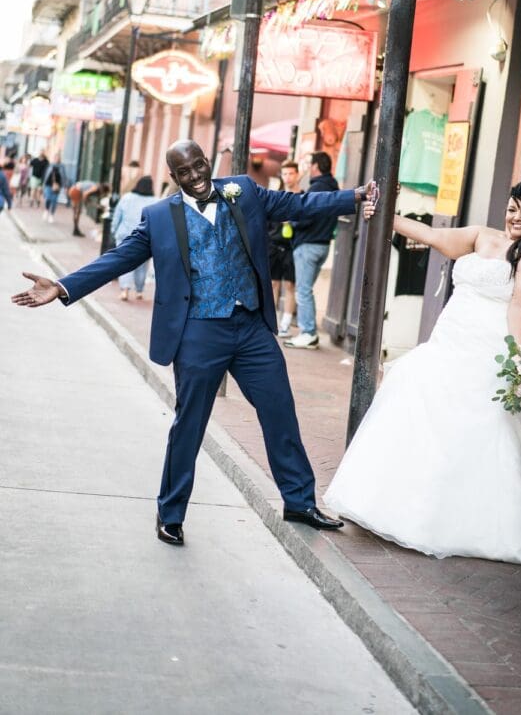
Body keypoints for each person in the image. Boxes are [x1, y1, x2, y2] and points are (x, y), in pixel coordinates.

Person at [12, 140, 375, 547]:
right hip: (199, 332)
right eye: (185, 172)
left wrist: (354, 196)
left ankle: (299, 501)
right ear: (174, 176)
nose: (196, 176)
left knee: (280, 411)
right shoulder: (159, 218)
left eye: (199, 166)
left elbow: (298, 205)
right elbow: (118, 259)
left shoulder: (244, 190)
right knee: (190, 424)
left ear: (207, 162)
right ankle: (171, 513)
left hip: (251, 326)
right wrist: (63, 286)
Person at [324, 180, 521, 567]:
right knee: (416, 402)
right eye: (512, 208)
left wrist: (518, 363)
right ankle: (398, 505)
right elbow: (434, 236)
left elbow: (519, 308)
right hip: (448, 341)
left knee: (474, 429)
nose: (516, 217)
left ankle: (463, 521)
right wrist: (387, 216)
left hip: (487, 350)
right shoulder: (481, 236)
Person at [284, 151, 340, 350]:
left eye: (310, 165)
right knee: (306, 289)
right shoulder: (334, 187)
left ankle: (308, 332)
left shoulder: (316, 187)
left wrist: (292, 220)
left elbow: (306, 215)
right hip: (323, 245)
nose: (308, 168)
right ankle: (310, 333)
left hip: (308, 244)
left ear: (316, 166)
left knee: (303, 290)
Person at [268, 160, 301, 337]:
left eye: (291, 173)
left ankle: (286, 323)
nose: (288, 177)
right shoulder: (277, 196)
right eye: (285, 173)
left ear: (297, 175)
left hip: (293, 246)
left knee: (290, 285)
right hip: (274, 244)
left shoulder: (302, 196)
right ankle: (271, 322)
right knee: (273, 284)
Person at [112, 176, 158, 300]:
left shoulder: (126, 198)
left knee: (124, 263)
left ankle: (125, 290)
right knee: (142, 265)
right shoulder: (155, 201)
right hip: (145, 237)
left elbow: (117, 216)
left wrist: (113, 229)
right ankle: (139, 291)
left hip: (125, 235)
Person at [42, 154, 65, 223]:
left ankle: (51, 215)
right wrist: (43, 183)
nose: (57, 159)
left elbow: (64, 176)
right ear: (54, 159)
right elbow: (45, 174)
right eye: (56, 158)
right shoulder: (50, 165)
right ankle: (46, 210)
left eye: (58, 158)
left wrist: (64, 186)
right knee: (48, 198)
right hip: (48, 184)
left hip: (57, 186)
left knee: (54, 201)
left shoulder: (62, 166)